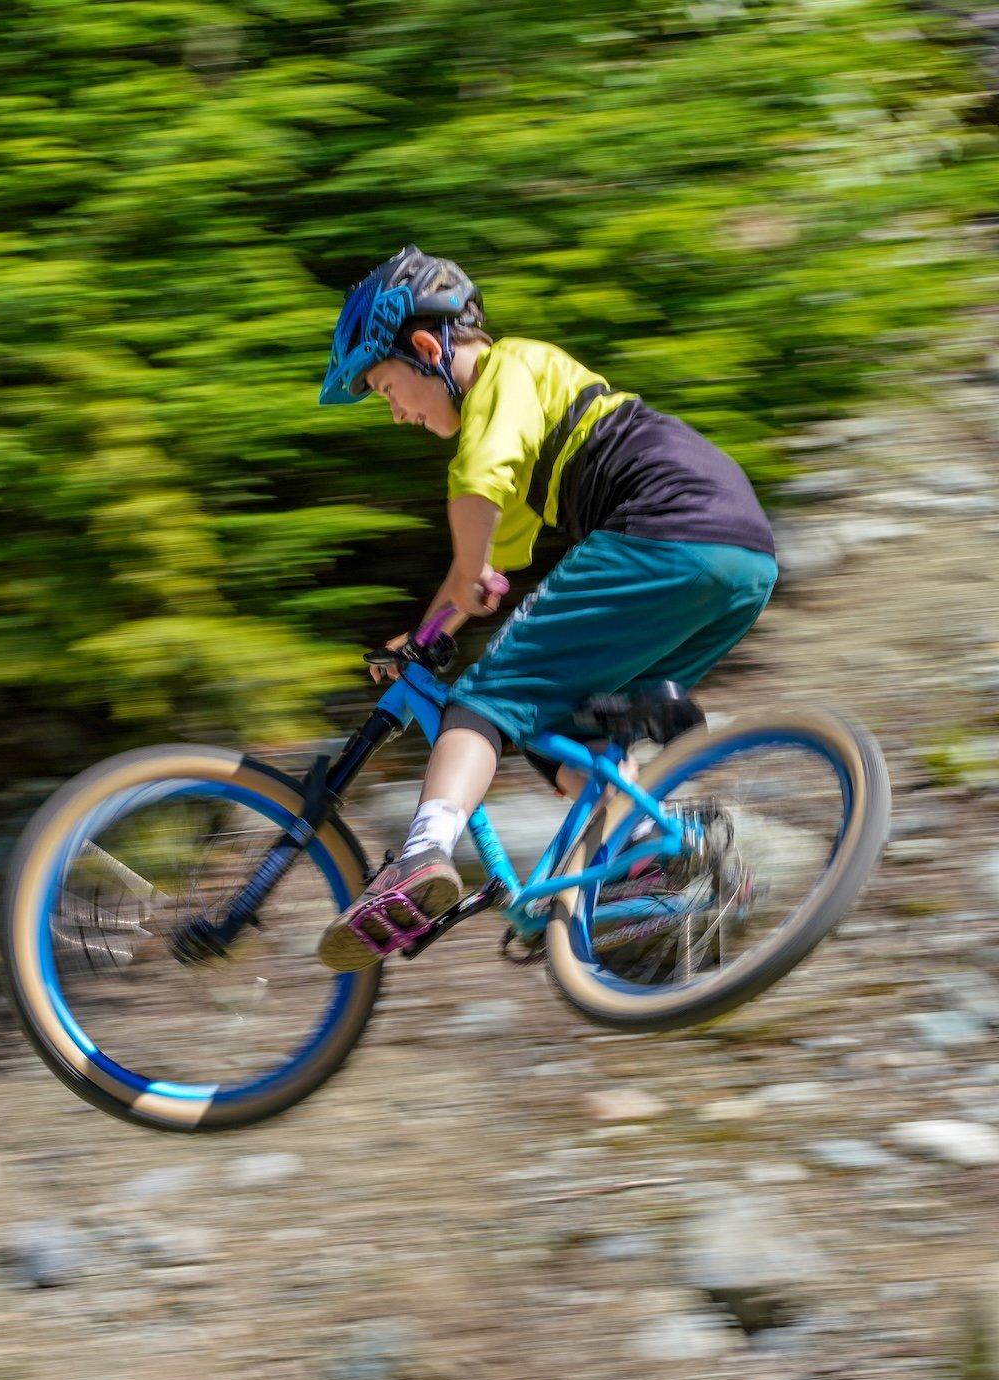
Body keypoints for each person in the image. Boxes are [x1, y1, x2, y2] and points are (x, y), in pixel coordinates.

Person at [313, 246, 778, 971]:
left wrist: (465, 582)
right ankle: (647, 865)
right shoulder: (537, 421)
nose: (394, 411)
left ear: (428, 348)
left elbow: (478, 487)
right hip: (741, 559)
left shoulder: (507, 370)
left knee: (481, 705)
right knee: (562, 723)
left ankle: (423, 855)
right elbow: (489, 565)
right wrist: (427, 633)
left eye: (384, 386)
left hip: (667, 525)